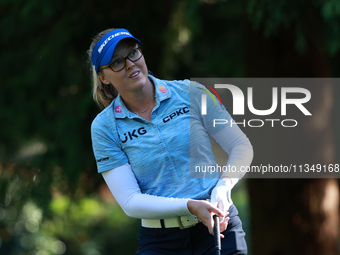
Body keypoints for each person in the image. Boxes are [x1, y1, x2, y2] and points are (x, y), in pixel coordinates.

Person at [88, 28, 253, 255]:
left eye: (133, 53)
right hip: (161, 241)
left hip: (218, 227)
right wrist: (189, 206)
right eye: (116, 62)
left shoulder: (192, 92)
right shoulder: (104, 127)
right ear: (104, 77)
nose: (129, 64)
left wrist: (225, 185)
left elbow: (241, 145)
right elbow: (130, 201)